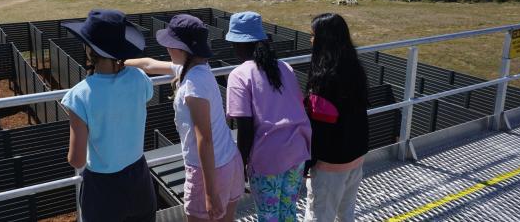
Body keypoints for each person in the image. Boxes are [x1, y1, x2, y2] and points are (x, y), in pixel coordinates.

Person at [126, 14, 243, 222]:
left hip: (209, 171)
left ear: (182, 49)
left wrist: (210, 192)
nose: (167, 49)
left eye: (170, 45)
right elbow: (150, 65)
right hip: (229, 160)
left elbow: (204, 139)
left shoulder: (193, 84)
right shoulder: (196, 68)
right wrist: (121, 62)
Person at [60, 9, 156, 222]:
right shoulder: (139, 78)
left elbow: (76, 159)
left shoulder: (79, 96)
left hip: (102, 190)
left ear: (89, 49)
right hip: (140, 180)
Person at [224, 11, 312, 222]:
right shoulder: (285, 67)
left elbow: (245, 128)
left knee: (268, 216)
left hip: (267, 158)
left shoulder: (239, 75)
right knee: (288, 212)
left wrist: (241, 166)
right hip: (297, 151)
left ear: (239, 44)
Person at [303, 13, 369, 222]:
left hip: (330, 164)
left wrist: (307, 164)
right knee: (346, 213)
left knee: (319, 215)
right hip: (355, 158)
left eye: (313, 35)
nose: (310, 40)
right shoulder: (356, 70)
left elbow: (320, 131)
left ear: (324, 39)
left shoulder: (323, 80)